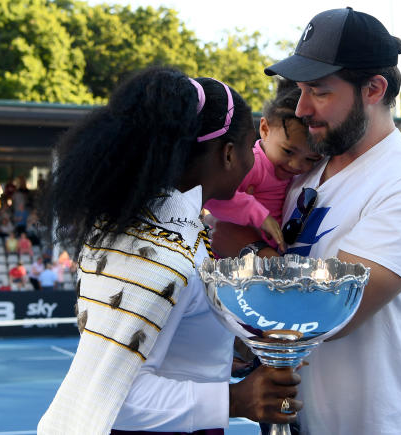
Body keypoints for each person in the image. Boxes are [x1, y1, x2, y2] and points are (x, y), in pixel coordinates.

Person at [215, 8, 401, 433]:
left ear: (373, 89)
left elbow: (333, 310)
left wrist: (233, 313)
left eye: (320, 92)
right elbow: (227, 232)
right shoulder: (301, 171)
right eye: (301, 90)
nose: (303, 108)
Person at [38, 67, 302, 434]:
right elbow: (115, 398)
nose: (252, 159)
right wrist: (237, 400)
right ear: (228, 154)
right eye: (247, 147)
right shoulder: (163, 250)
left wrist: (240, 353)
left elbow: (175, 346)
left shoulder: (154, 228)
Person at [205, 79, 322, 252]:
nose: (297, 165)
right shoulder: (252, 164)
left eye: (311, 159)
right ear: (265, 129)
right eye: (288, 151)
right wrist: (258, 214)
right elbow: (212, 195)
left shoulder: (293, 175)